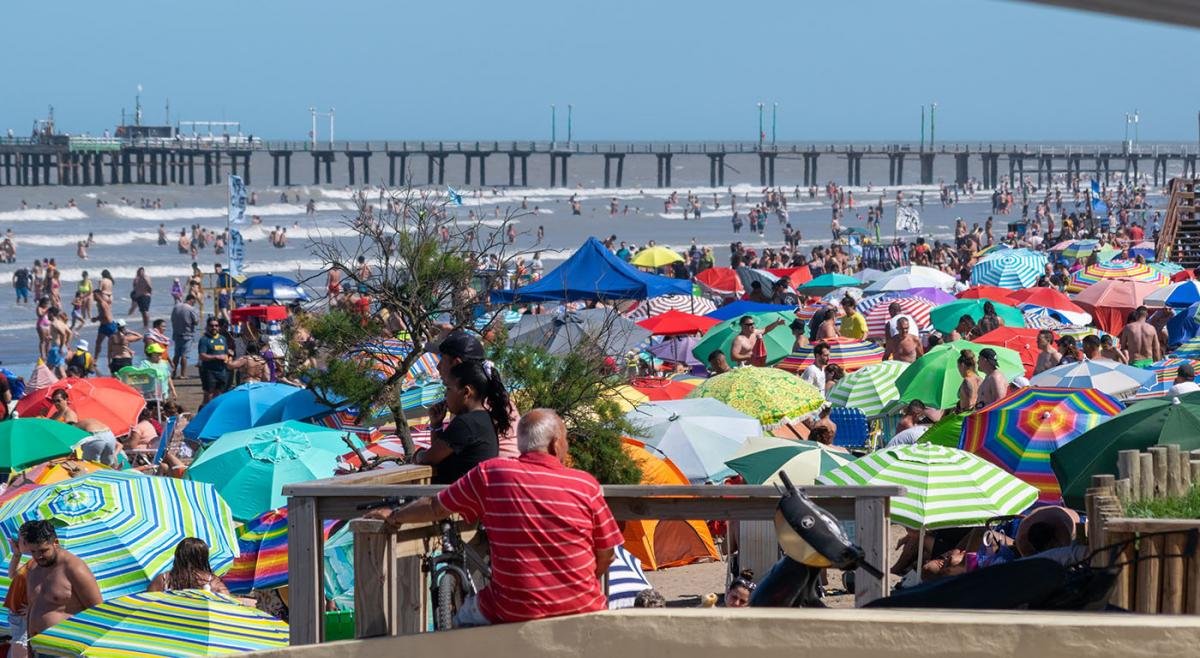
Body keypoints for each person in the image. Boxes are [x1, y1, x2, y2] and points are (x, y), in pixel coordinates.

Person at [367, 409, 622, 627]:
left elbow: (435, 506)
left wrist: (395, 515)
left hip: (514, 611)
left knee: (461, 620)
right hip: (584, 608)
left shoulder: (492, 473)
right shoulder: (585, 485)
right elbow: (607, 552)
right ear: (556, 444)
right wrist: (574, 582)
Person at [412, 360, 510, 485]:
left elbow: (429, 459)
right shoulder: (483, 419)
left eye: (448, 389)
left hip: (456, 500)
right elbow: (440, 454)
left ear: (466, 392)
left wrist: (417, 455)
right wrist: (436, 425)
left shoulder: (466, 423)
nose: (445, 395)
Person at [435, 331, 518, 459]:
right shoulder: (491, 395)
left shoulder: (474, 403)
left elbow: (436, 456)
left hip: (495, 473)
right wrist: (436, 426)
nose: (437, 366)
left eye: (442, 359)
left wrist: (419, 455)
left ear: (456, 363)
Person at [23, 520, 102, 637]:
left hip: (65, 647)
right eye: (33, 551)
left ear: (55, 542)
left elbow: (97, 612)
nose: (38, 556)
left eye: (43, 551)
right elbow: (32, 609)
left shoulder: (74, 568)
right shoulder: (33, 567)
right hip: (38, 647)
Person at [148, 538, 230, 595]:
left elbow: (148, 602)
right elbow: (227, 602)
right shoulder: (212, 581)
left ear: (178, 555)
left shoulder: (164, 579)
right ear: (204, 558)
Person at [198, 317, 230, 405]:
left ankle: (214, 413)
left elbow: (226, 353)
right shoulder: (204, 339)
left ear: (219, 327)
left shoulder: (222, 339)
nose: (214, 327)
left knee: (219, 394)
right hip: (209, 371)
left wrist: (228, 357)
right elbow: (202, 356)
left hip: (222, 371)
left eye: (216, 325)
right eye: (211, 325)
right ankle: (203, 413)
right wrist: (216, 357)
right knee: (208, 395)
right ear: (207, 326)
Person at [170, 295, 200, 379]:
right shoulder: (191, 309)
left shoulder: (176, 307)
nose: (194, 303)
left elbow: (172, 319)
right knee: (184, 355)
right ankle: (183, 374)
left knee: (176, 355)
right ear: (191, 300)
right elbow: (196, 321)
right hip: (187, 334)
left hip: (176, 333)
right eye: (194, 301)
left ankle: (174, 372)